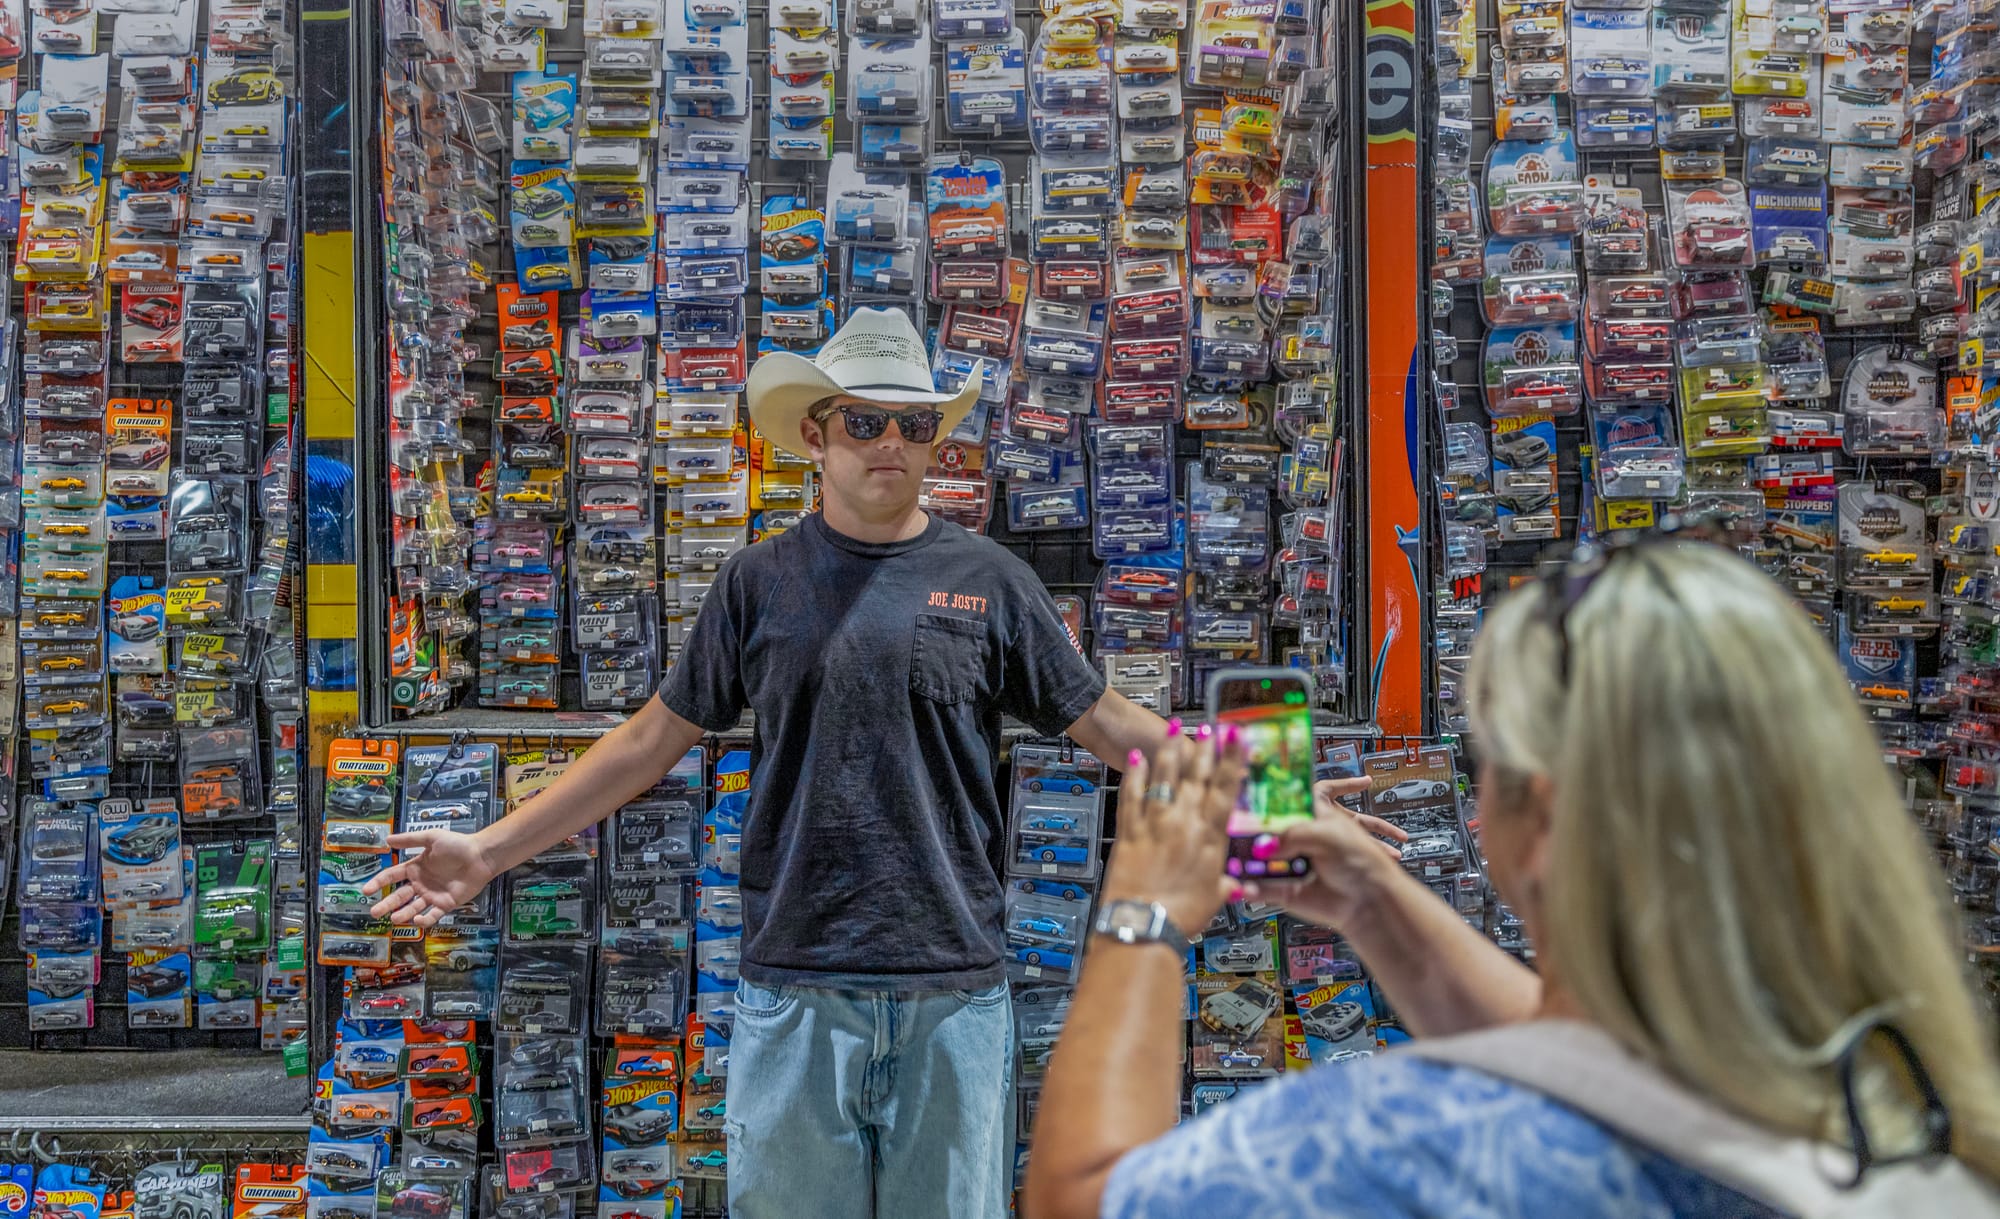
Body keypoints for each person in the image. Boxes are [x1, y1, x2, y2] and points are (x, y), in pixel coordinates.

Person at [363, 307, 1166, 1219]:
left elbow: (1117, 727)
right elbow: (647, 741)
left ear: (937, 440)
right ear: (816, 434)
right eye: (864, 420)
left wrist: (1285, 799)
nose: (890, 443)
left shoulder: (993, 581)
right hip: (796, 993)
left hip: (953, 997)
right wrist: (489, 851)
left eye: (913, 423)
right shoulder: (757, 580)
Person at [1025, 537, 2000, 1218]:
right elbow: (1590, 1065)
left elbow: (1083, 1200)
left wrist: (1141, 912)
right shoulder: (1911, 1125)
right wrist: (1369, 896)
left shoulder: (1403, 1144)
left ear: (1537, 816)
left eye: (1480, 760)